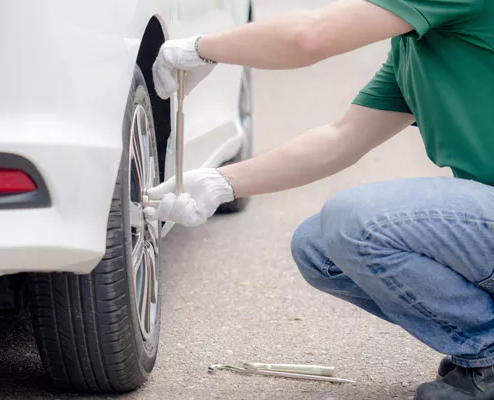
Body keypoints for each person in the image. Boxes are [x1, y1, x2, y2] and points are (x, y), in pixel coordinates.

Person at [145, 1, 494, 399]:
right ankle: (477, 348)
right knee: (319, 247)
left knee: (358, 224)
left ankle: (487, 354)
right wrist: (222, 182)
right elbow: (340, 139)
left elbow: (310, 36)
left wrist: (204, 47)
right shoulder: (414, 50)